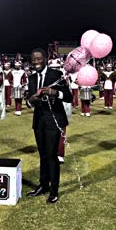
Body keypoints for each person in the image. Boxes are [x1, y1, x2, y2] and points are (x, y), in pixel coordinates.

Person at [25, 48, 73, 204]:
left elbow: (68, 97)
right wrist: (31, 99)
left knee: (52, 155)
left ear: (45, 59)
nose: (36, 61)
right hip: (38, 122)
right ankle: (43, 185)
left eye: (39, 58)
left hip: (54, 121)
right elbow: (28, 102)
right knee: (42, 155)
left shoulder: (56, 75)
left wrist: (54, 92)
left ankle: (54, 191)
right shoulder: (31, 78)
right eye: (33, 59)